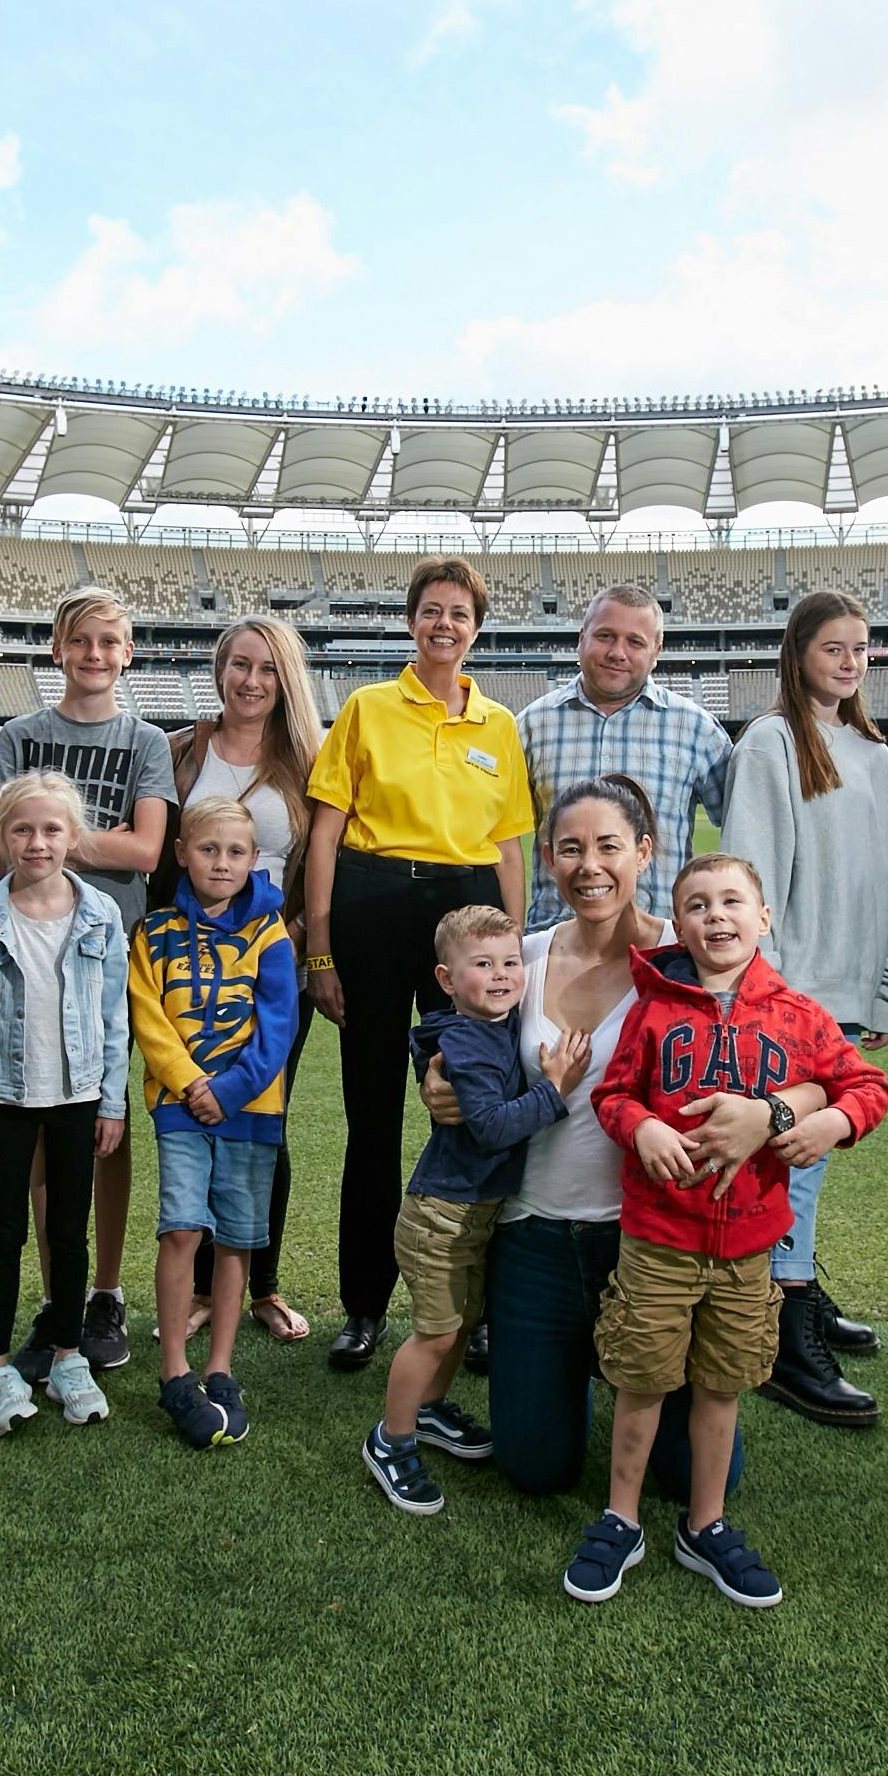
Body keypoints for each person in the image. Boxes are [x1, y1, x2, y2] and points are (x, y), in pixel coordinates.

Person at [446, 775, 833, 1505]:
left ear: (643, 852)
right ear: (549, 860)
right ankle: (577, 1375)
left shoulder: (692, 954)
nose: (588, 865)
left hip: (656, 1241)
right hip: (534, 1235)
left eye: (608, 846)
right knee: (535, 1468)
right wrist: (439, 1081)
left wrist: (775, 1111)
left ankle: (631, 1389)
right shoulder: (517, 960)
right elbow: (457, 1047)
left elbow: (810, 1058)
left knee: (692, 1478)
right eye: (569, 849)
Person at [563, 853, 888, 1609]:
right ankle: (621, 1518)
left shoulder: (799, 1015)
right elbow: (614, 1095)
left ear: (764, 916)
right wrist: (639, 1126)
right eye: (699, 905)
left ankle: (705, 1525)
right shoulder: (656, 1006)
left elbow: (866, 1084)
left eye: (733, 901)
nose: (717, 917)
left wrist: (832, 1120)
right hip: (657, 1243)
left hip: (748, 1251)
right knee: (641, 1380)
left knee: (721, 1386)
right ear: (677, 924)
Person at [303, 557, 535, 1372]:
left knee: (473, 1107)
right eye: (432, 611)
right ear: (412, 622)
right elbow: (326, 834)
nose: (445, 625)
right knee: (373, 1118)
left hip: (466, 908)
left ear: (476, 628)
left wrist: (514, 951)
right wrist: (321, 947)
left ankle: (468, 1313)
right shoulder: (366, 708)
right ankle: (363, 1306)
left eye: (459, 614)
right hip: (371, 901)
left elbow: (508, 846)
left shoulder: (499, 725)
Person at [0, 587, 175, 1375]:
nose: (94, 655)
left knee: (102, 1121)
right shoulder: (21, 735)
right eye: (80, 641)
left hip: (108, 952)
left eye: (109, 643)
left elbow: (149, 852)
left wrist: (45, 839)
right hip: (23, 960)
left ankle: (105, 1293)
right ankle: (57, 1297)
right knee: (41, 1123)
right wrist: (88, 842)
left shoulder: (144, 739)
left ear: (128, 654)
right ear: (57, 649)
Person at [719, 589, 888, 1428]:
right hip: (794, 991)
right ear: (798, 654)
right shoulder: (768, 741)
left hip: (848, 985)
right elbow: (751, 877)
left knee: (811, 1160)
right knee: (796, 1158)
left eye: (861, 649)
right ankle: (787, 1338)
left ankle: (800, 1292)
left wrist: (883, 979)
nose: (851, 662)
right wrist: (771, 995)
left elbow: (878, 877)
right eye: (834, 648)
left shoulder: (867, 746)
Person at [363, 906, 591, 1516]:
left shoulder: (489, 1024)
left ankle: (429, 1410)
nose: (501, 976)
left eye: (511, 963)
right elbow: (490, 1128)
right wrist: (556, 1089)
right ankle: (391, 1438)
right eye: (482, 965)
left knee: (462, 1324)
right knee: (436, 1332)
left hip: (473, 1214)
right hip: (441, 1216)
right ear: (446, 977)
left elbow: (428, 1032)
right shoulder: (469, 1039)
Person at [0, 771, 134, 1436]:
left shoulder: (101, 914)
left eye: (52, 829)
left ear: (73, 837)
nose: (37, 842)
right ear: (2, 837)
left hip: (79, 1096)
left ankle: (67, 1355)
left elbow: (116, 1017)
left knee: (68, 1234)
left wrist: (111, 1101)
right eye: (22, 829)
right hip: (3, 1099)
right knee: (4, 1235)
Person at [159, 615, 322, 1345]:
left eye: (267, 669)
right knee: (194, 1117)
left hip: (271, 969)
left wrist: (305, 949)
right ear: (220, 669)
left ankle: (263, 1283)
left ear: (285, 680)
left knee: (263, 1124)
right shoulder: (180, 754)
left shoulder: (307, 763)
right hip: (191, 976)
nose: (252, 681)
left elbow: (323, 868)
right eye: (240, 665)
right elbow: (161, 861)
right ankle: (200, 1289)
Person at [127, 798, 299, 1450]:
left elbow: (278, 1026)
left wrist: (227, 1091)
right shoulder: (154, 933)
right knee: (180, 1229)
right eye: (207, 850)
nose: (221, 863)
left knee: (237, 1239)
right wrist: (192, 1084)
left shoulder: (271, 933)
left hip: (250, 1110)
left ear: (254, 860)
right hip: (179, 1105)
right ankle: (175, 1372)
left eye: (235, 852)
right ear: (181, 854)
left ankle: (219, 1367)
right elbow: (150, 1019)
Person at [517, 583, 731, 929]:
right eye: (605, 636)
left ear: (656, 650)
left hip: (660, 949)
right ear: (581, 637)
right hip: (555, 945)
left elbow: (742, 828)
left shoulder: (696, 730)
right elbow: (500, 841)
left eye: (635, 642)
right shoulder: (531, 726)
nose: (618, 652)